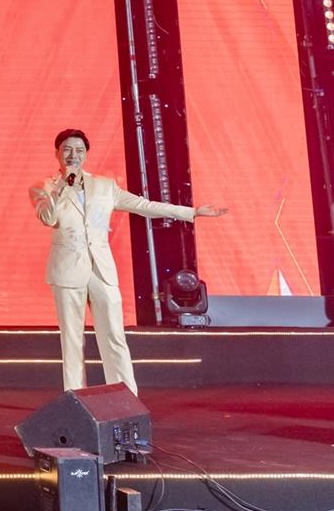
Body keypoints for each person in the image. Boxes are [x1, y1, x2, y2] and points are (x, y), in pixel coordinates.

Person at [31, 128, 227, 395]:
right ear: (57, 153)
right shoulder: (43, 187)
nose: (73, 155)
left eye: (79, 150)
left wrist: (191, 212)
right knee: (72, 340)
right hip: (67, 271)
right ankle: (75, 398)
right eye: (67, 149)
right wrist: (62, 187)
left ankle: (124, 396)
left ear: (86, 155)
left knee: (114, 335)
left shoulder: (104, 186)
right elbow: (48, 218)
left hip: (101, 269)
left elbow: (144, 206)